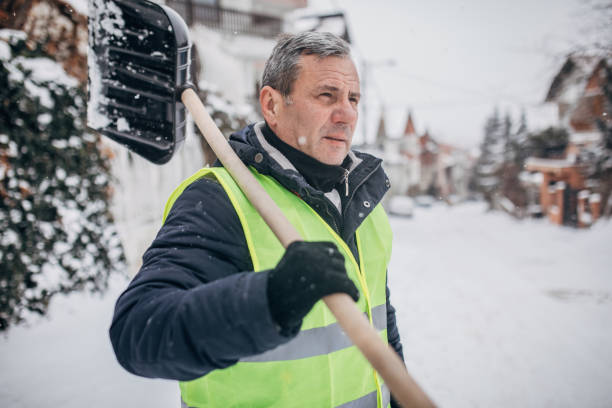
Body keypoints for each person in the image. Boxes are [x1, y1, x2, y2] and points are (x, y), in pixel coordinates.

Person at [110, 31, 404, 408]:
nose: (346, 114)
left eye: (353, 99)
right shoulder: (221, 201)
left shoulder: (364, 201)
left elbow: (379, 322)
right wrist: (269, 300)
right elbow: (139, 332)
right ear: (272, 105)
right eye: (326, 95)